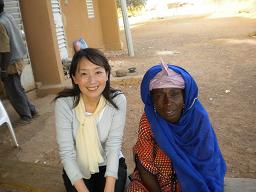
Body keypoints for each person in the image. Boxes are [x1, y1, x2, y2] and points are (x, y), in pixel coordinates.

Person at [127, 62, 226, 192]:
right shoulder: (149, 121)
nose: (167, 102)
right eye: (159, 95)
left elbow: (209, 165)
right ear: (151, 100)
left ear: (185, 96)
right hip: (157, 183)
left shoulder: (198, 119)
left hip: (192, 182)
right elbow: (144, 165)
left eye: (174, 94)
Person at [54, 48, 127, 192]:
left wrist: (109, 187)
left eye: (98, 72)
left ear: (107, 74)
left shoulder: (117, 100)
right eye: (84, 74)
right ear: (75, 78)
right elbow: (67, 152)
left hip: (110, 164)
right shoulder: (64, 104)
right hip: (78, 167)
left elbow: (114, 145)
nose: (92, 81)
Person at [0, 0, 38, 125]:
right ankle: (32, 111)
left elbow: (5, 50)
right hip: (19, 59)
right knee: (18, 89)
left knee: (14, 92)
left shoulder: (0, 23)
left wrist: (3, 69)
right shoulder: (8, 16)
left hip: (10, 63)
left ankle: (26, 116)